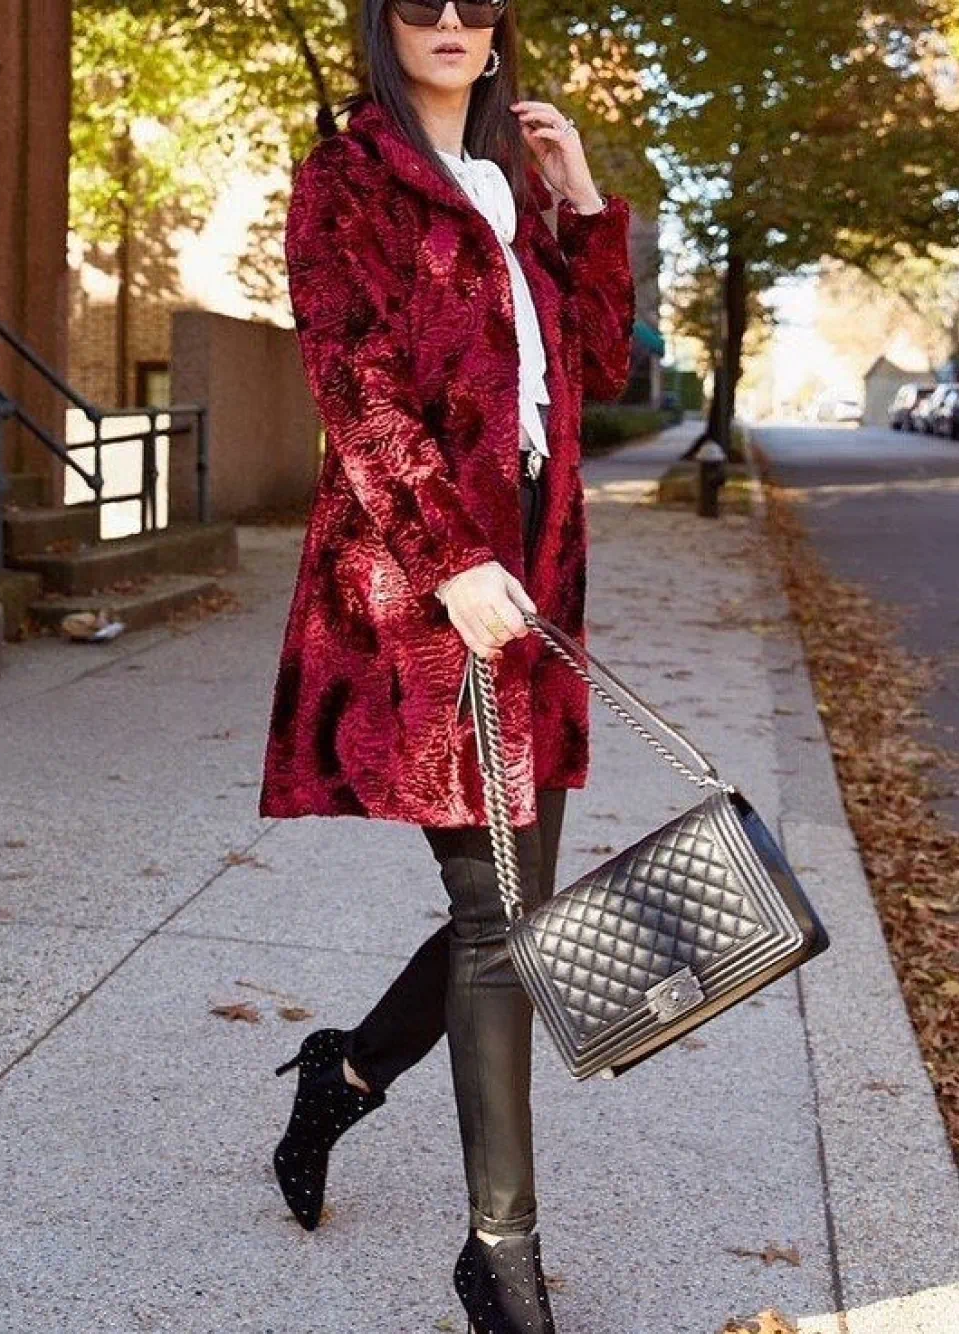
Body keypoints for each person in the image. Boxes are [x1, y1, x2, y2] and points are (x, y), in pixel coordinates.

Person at [256, 0, 636, 1325]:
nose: (454, 21)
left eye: (480, 1)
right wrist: (449, 555)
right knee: (499, 918)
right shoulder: (345, 177)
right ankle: (502, 1254)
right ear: (382, 19)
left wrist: (584, 202)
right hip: (424, 589)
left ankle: (343, 1077)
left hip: (535, 579)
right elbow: (351, 381)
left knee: (513, 918)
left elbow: (601, 360)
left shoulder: (518, 188)